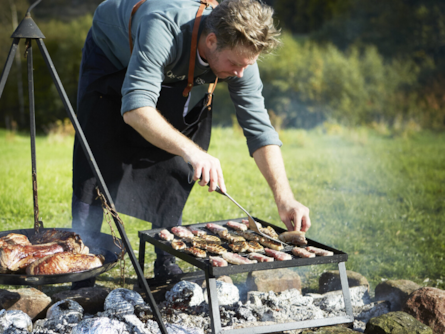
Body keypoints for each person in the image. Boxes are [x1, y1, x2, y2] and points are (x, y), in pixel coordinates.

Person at [70, 0, 311, 289]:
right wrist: (193, 153)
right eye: (235, 64)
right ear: (211, 41)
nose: (240, 74)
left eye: (247, 65)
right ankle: (82, 267)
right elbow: (135, 109)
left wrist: (284, 198)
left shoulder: (239, 54)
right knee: (97, 151)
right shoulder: (163, 29)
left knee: (177, 149)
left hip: (174, 64)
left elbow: (258, 127)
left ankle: (164, 258)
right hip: (112, 57)